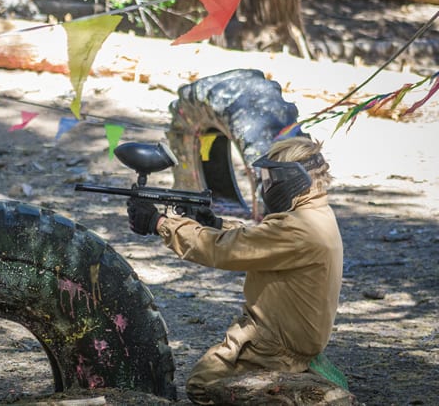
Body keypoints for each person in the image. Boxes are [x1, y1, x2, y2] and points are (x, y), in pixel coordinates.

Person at [127, 136, 343, 405]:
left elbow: (223, 251)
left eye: (272, 179)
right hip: (287, 336)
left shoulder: (300, 229)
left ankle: (292, 388)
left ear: (294, 179)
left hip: (275, 346)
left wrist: (159, 223)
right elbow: (259, 241)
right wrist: (216, 224)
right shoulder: (315, 214)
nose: (267, 187)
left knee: (203, 387)